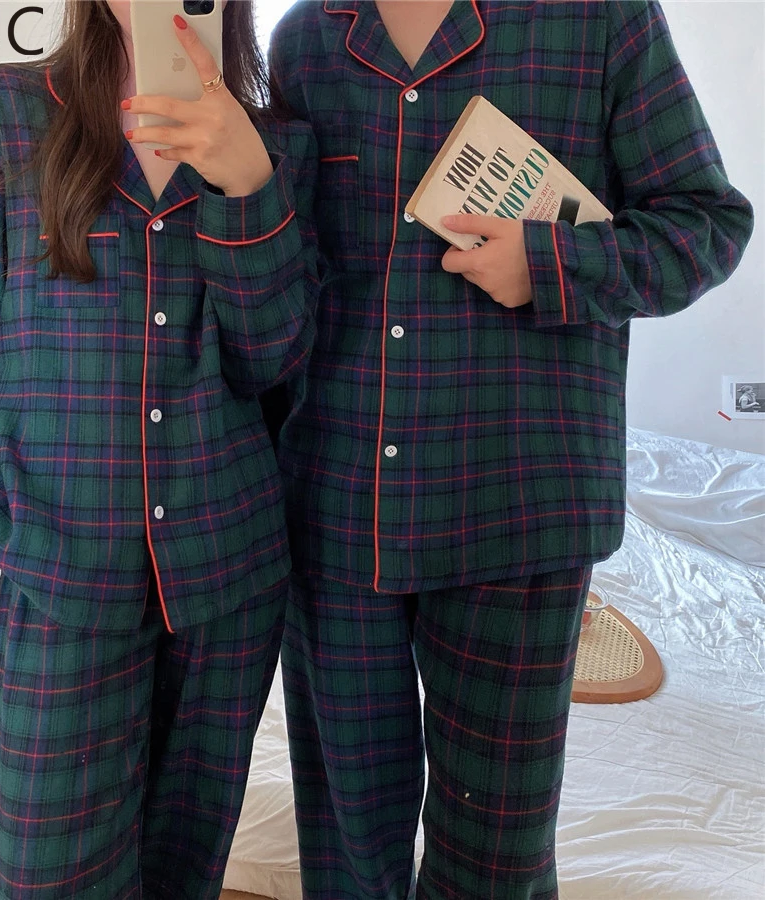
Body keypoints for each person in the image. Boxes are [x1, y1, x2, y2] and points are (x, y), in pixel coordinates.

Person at [267, 2, 753, 898]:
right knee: (344, 845)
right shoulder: (303, 37)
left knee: (497, 859)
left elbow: (708, 225)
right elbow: (289, 270)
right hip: (335, 502)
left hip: (519, 503)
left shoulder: (601, 18)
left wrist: (554, 264)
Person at [0, 1, 317, 897]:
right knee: (43, 873)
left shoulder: (276, 147)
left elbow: (271, 363)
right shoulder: (4, 117)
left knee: (182, 874)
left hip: (227, 591)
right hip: (64, 592)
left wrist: (247, 186)